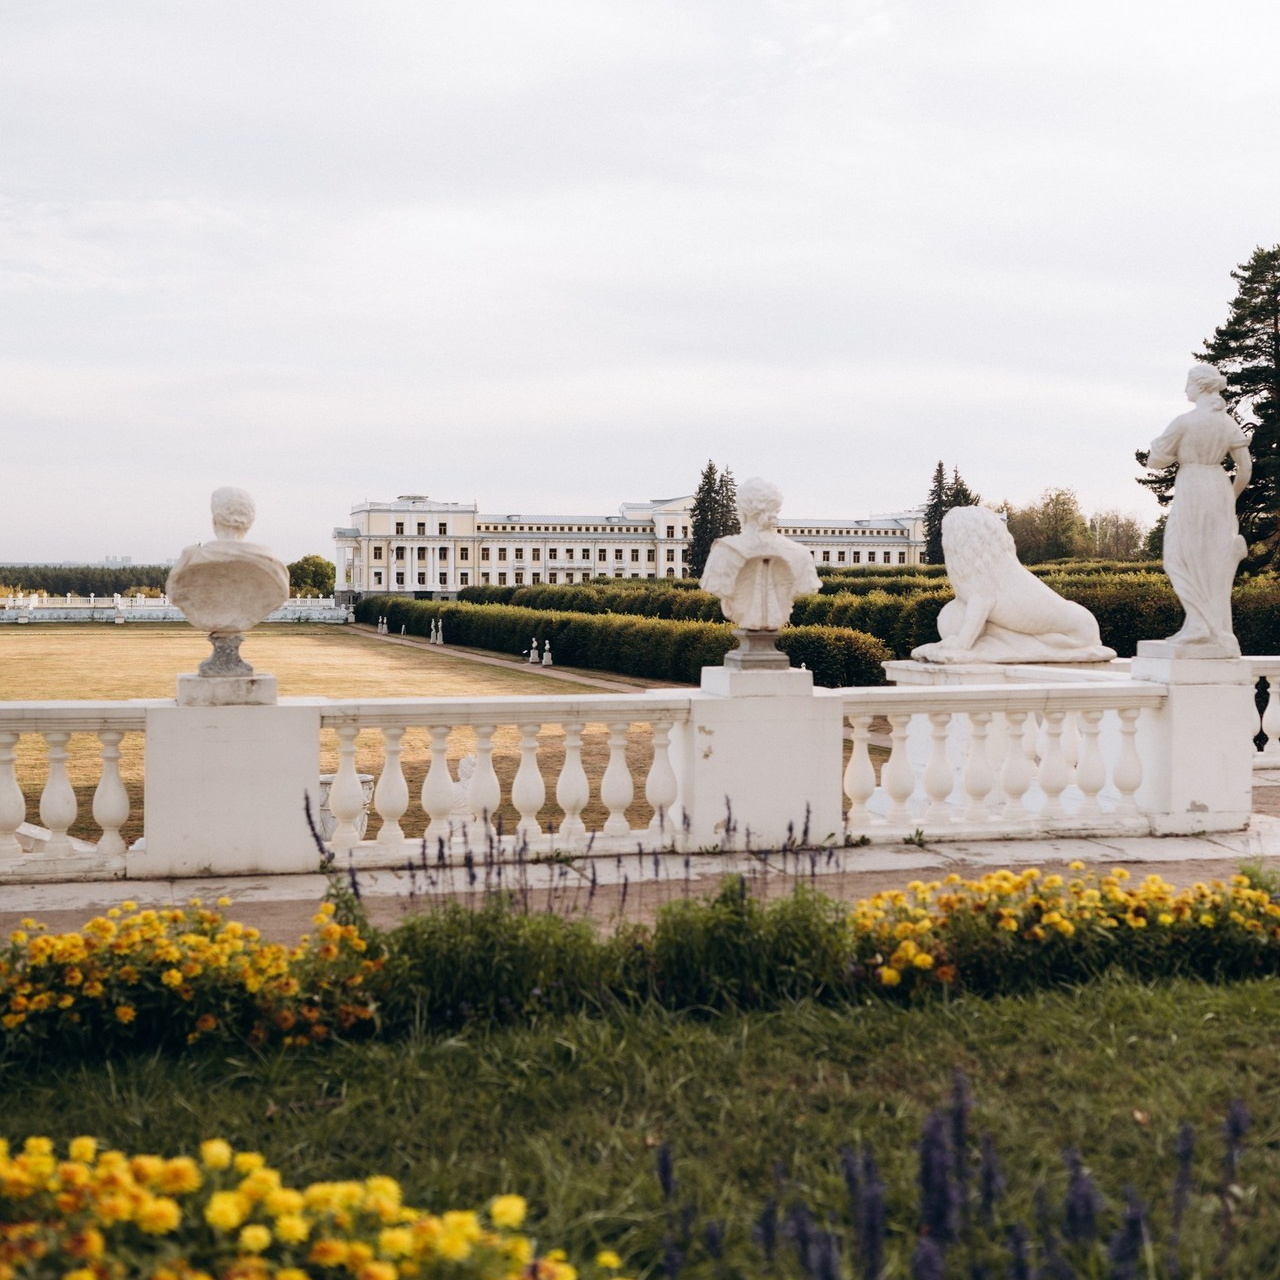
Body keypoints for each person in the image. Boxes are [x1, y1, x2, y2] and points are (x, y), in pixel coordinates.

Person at [1144, 364, 1251, 654]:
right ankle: (1206, 626)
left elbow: (1155, 461)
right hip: (1217, 487)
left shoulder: (1184, 422)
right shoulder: (1227, 423)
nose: (1185, 389)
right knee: (1211, 559)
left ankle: (1200, 625)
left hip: (1192, 485)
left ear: (1200, 386)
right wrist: (1230, 498)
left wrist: (1157, 447)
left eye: (1188, 383)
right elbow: (1245, 468)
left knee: (1178, 556)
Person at [700, 478, 820, 630]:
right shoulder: (800, 554)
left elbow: (714, 586)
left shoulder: (724, 552)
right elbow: (806, 587)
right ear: (776, 508)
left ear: (742, 510)